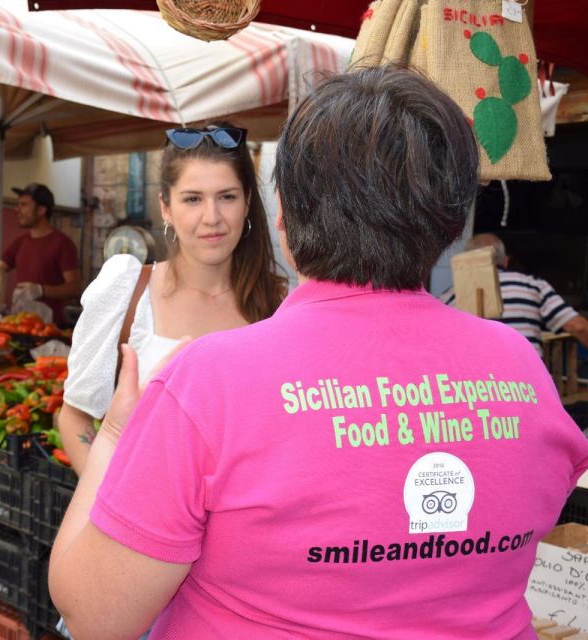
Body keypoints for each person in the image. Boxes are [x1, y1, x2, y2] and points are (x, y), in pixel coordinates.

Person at [49, 66, 588, 639]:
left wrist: (112, 436)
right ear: (450, 219)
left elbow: (95, 618)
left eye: (228, 197)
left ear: (282, 221)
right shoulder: (521, 366)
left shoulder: (209, 380)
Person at [58, 123, 287, 475]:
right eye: (192, 199)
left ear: (247, 203)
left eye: (227, 196)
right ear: (166, 207)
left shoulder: (279, 303)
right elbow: (75, 417)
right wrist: (114, 508)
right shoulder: (128, 288)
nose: (212, 218)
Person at [441, 233, 588, 356]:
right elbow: (578, 327)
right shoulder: (533, 285)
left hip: (476, 386)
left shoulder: (450, 295)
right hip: (527, 382)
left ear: (467, 260)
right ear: (505, 260)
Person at [0, 182, 82, 325]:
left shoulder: (62, 243)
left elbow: (75, 287)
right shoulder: (20, 243)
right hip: (20, 325)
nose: (17, 209)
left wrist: (41, 290)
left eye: (24, 205)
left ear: (41, 210)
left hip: (50, 328)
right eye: (18, 205)